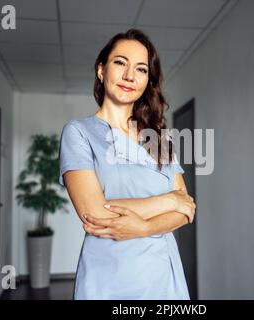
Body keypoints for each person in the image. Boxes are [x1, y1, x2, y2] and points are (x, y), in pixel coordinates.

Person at [58, 28, 196, 300]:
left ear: (148, 80)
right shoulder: (79, 132)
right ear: (101, 70)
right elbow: (94, 212)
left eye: (141, 69)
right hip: (109, 277)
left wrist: (144, 227)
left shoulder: (157, 139)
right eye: (120, 62)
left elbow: (186, 210)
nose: (130, 76)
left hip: (163, 277)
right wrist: (170, 200)